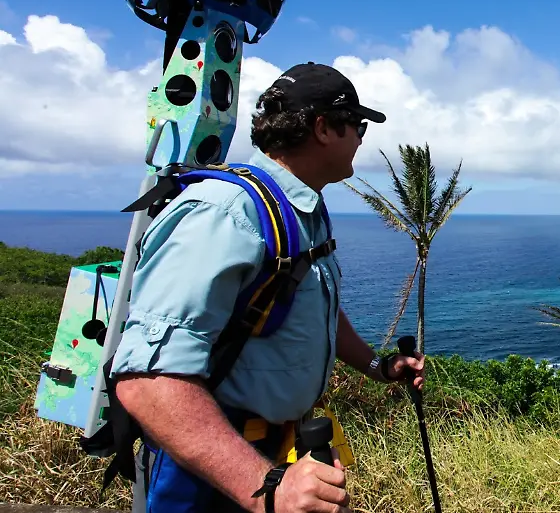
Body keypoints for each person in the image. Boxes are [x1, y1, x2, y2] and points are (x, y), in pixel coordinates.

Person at [108, 62, 425, 513]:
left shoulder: (301, 211)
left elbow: (309, 306)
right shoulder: (224, 213)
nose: (359, 138)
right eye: (356, 126)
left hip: (279, 451)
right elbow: (148, 381)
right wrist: (267, 487)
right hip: (214, 470)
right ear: (322, 128)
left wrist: (377, 365)